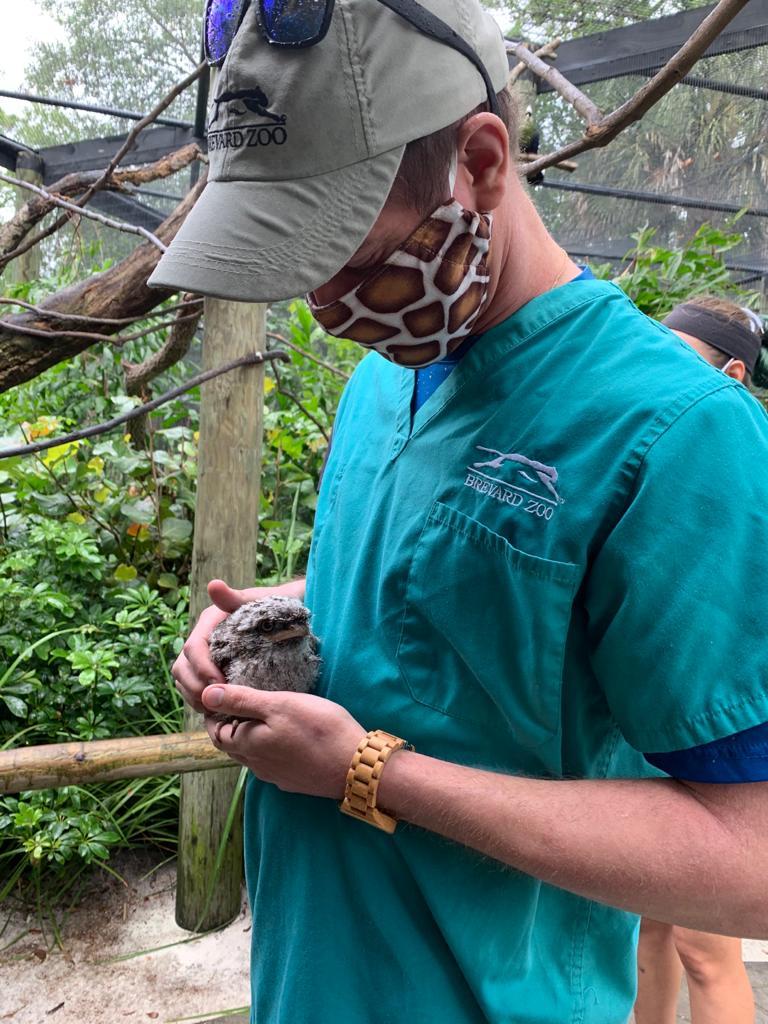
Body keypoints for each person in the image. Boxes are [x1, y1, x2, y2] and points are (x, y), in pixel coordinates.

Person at [150, 1, 768, 1021]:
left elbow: (750, 860)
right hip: (313, 982)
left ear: (481, 161)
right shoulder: (386, 378)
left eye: (345, 254)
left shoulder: (678, 433)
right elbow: (455, 602)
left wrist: (365, 771)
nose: (325, 305)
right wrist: (274, 618)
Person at [634, 294, 767, 1024]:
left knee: (703, 944)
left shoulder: (740, 445)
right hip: (654, 703)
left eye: (674, 356)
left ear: (736, 373)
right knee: (645, 921)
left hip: (724, 720)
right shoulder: (669, 441)